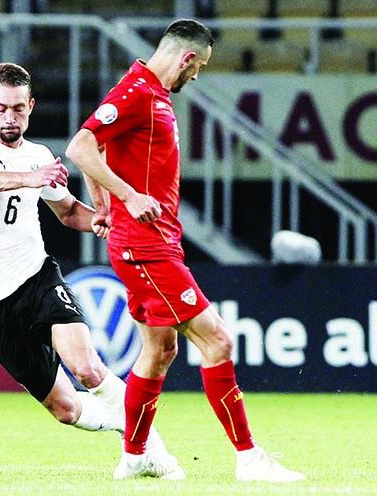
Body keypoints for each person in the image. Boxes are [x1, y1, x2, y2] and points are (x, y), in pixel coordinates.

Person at [65, 19, 306, 482]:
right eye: (198, 69)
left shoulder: (147, 92)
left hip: (151, 243)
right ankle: (249, 459)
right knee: (217, 339)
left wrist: (102, 202)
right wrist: (128, 198)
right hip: (146, 247)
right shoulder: (138, 91)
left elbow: (95, 144)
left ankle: (134, 457)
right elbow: (81, 147)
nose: (195, 79)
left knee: (158, 351)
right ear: (187, 58)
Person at [0, 62, 183, 479]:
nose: (9, 117)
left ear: (31, 106)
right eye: (1, 108)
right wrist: (28, 178)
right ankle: (130, 431)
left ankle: (150, 449)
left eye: (18, 108)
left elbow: (69, 212)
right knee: (66, 410)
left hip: (36, 277)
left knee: (87, 366)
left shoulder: (39, 156)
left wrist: (106, 220)